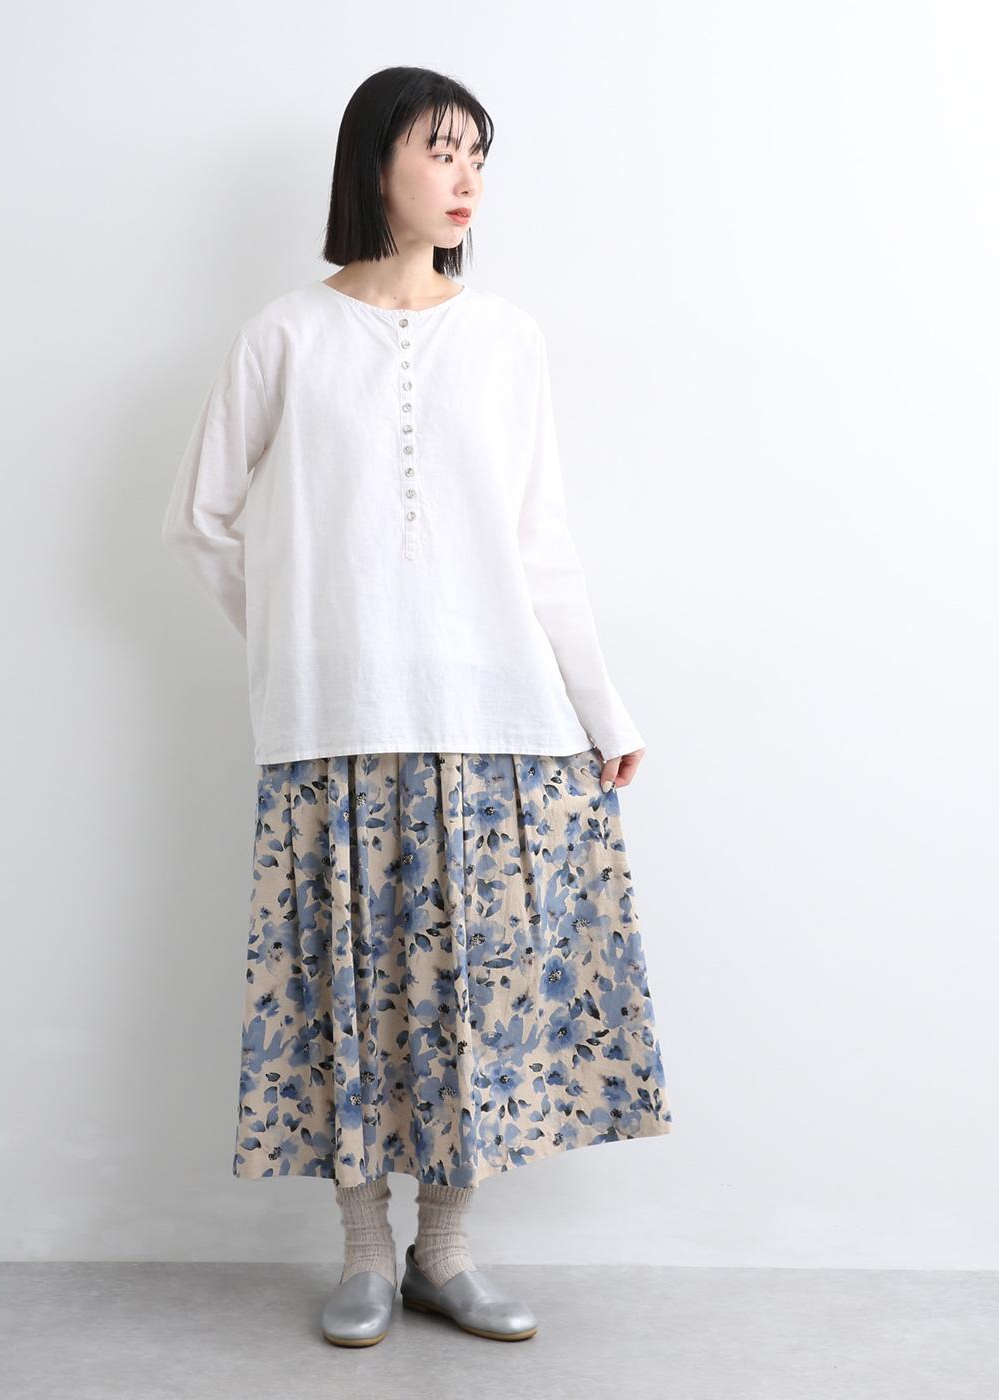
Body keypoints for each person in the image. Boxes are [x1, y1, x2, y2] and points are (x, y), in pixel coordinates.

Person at [162, 65, 672, 1348]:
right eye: (441, 150)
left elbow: (539, 543)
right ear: (373, 162)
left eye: (478, 157)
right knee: (348, 986)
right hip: (334, 725)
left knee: (469, 998)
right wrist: (302, 645)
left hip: (495, 719)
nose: (465, 178)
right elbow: (199, 518)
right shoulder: (285, 333)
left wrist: (603, 707)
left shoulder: (506, 338)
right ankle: (363, 1253)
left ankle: (446, 1248)